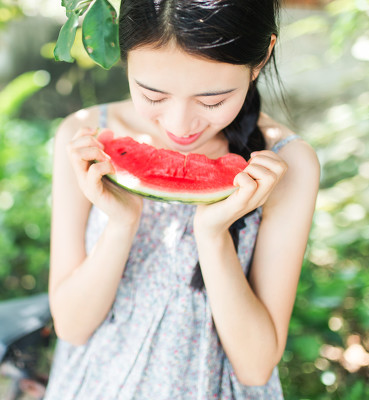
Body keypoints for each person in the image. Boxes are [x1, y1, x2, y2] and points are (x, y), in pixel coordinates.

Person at [45, 0, 320, 398]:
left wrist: (212, 234)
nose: (180, 125)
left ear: (260, 59)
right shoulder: (87, 137)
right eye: (153, 96)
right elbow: (71, 327)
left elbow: (256, 367)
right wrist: (121, 224)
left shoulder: (286, 164)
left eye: (212, 100)